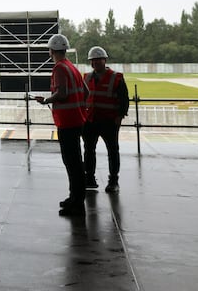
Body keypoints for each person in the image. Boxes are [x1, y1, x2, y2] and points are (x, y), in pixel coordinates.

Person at [35, 34, 87, 216]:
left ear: (51, 51)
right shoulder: (72, 67)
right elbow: (86, 92)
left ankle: (77, 201)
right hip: (77, 120)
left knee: (71, 162)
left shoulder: (59, 68)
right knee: (76, 161)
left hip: (67, 122)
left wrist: (46, 100)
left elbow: (62, 93)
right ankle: (76, 197)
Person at [83, 46, 129, 193]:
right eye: (93, 61)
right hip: (91, 120)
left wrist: (119, 116)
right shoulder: (87, 77)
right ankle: (89, 178)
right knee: (89, 150)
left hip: (109, 121)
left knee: (112, 151)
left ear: (105, 60)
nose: (95, 63)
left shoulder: (116, 78)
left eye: (98, 60)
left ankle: (113, 181)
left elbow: (124, 100)